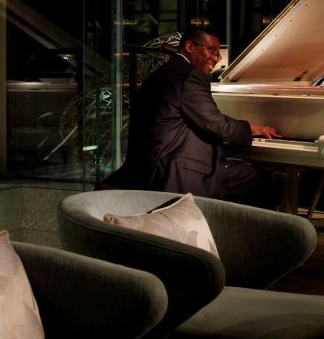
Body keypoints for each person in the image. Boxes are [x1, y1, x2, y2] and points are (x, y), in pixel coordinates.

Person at [102, 27, 281, 209]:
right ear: (189, 46)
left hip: (147, 171)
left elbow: (200, 117)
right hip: (175, 174)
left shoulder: (160, 75)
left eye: (217, 54)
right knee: (259, 179)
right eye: (211, 50)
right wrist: (250, 128)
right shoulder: (190, 75)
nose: (215, 58)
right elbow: (215, 123)